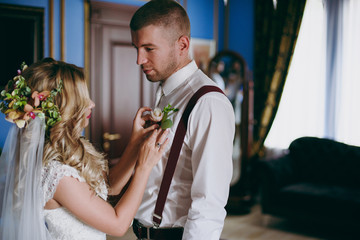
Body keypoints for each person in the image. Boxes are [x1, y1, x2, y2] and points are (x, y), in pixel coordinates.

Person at [0, 58, 169, 240]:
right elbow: (118, 225)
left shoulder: (67, 151)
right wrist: (144, 167)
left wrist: (135, 144)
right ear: (64, 106)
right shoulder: (58, 175)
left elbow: (108, 186)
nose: (92, 104)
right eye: (83, 98)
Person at [128, 1, 235, 239]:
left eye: (148, 49)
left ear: (182, 45)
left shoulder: (208, 103)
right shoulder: (167, 92)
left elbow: (209, 203)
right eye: (136, 48)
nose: (139, 60)